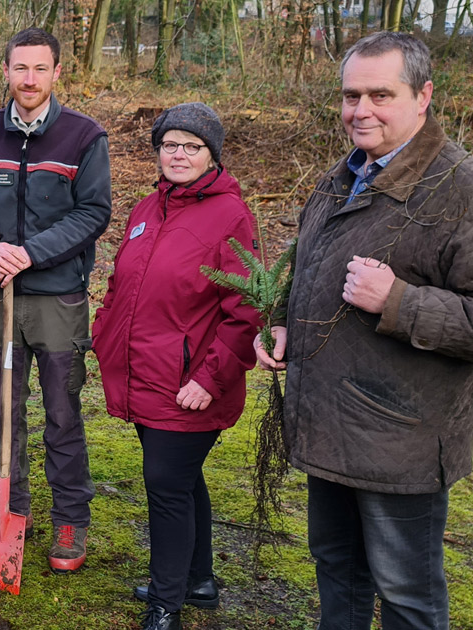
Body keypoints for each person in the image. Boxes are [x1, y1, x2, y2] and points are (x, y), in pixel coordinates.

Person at [255, 32, 473, 630]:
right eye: (351, 95)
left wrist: (398, 301)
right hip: (329, 421)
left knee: (407, 594)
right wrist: (281, 325)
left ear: (424, 95)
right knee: (338, 571)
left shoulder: (461, 189)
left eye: (381, 94)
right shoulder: (343, 175)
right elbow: (306, 267)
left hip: (399, 435)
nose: (361, 110)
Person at [0, 27, 111, 573]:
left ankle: (70, 518)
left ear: (58, 72)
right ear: (7, 71)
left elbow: (93, 212)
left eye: (40, 69)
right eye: (21, 68)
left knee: (61, 412)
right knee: (1, 410)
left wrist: (29, 253)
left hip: (56, 299)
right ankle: (8, 508)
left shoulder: (84, 137)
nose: (30, 79)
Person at [92, 103, 260, 630]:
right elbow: (123, 284)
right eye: (170, 145)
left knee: (166, 484)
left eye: (192, 146)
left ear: (212, 155)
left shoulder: (231, 215)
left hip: (190, 382)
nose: (179, 154)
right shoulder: (146, 208)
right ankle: (198, 579)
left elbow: (245, 309)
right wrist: (103, 333)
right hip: (144, 370)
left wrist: (209, 380)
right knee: (182, 482)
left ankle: (166, 601)